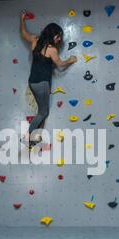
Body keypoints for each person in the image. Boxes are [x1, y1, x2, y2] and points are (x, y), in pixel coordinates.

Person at [20, 11, 77, 147]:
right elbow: (60, 65)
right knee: (43, 112)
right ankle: (27, 136)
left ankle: (33, 139)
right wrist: (69, 60)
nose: (60, 39)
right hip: (43, 84)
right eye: (58, 36)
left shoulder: (35, 41)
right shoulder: (52, 50)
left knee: (42, 110)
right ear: (53, 35)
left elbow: (24, 33)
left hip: (32, 82)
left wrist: (22, 20)